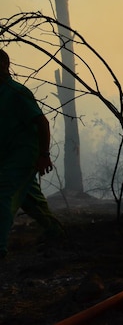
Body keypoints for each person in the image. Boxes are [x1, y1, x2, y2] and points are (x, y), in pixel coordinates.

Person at [0, 49, 64, 259]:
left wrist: (44, 154)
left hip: (24, 154)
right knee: (31, 200)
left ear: (4, 65)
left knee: (3, 194)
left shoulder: (18, 92)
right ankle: (58, 233)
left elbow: (42, 122)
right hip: (7, 156)